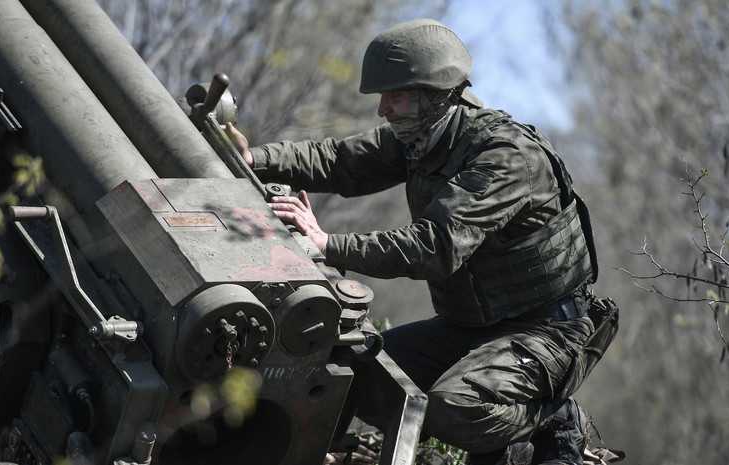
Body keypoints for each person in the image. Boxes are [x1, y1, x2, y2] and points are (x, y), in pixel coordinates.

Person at [226, 18, 602, 465]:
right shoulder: (422, 136)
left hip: (547, 331)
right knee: (354, 376)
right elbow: (341, 162)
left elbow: (436, 246)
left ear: (434, 96)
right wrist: (255, 159)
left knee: (456, 407)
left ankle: (555, 418)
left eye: (395, 97)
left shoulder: (505, 157)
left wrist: (328, 244)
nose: (383, 109)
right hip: (467, 330)